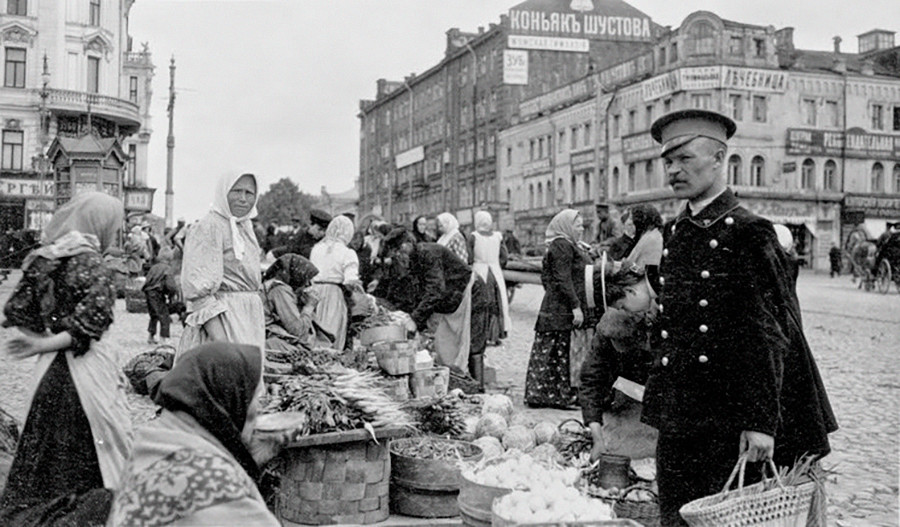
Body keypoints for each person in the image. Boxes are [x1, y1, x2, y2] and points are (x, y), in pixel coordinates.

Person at [646, 109, 837, 525]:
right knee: (675, 517)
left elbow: (768, 334)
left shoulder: (750, 233)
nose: (674, 170)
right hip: (681, 415)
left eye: (685, 158)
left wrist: (760, 422)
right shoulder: (677, 232)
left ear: (719, 159)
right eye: (668, 161)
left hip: (728, 419)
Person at [0, 192, 132, 526]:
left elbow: (15, 310)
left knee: (44, 448)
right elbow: (88, 327)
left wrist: (40, 340)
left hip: (50, 375)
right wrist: (45, 345)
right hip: (86, 372)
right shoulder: (93, 264)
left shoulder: (46, 257)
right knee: (93, 447)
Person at [107, 343, 280, 526]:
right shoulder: (215, 485)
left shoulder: (154, 441)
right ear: (229, 406)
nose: (256, 416)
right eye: (252, 411)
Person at [178, 173, 265, 363]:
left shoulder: (244, 228)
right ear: (223, 191)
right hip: (224, 321)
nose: (243, 198)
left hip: (247, 320)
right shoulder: (210, 227)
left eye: (249, 193)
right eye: (236, 191)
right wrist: (221, 341)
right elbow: (199, 291)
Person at [580, 264, 659, 462]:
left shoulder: (667, 307)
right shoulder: (609, 328)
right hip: (630, 405)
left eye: (623, 306)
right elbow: (592, 379)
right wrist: (597, 436)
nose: (624, 311)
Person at [382, 228, 475, 372]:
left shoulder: (428, 253)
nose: (399, 256)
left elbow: (435, 289)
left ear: (408, 244)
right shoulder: (414, 260)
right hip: (451, 297)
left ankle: (469, 381)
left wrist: (415, 319)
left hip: (468, 291)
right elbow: (420, 291)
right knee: (444, 342)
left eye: (400, 251)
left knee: (463, 342)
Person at [524, 209, 590, 409]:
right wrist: (575, 306)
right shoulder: (562, 246)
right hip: (559, 308)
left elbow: (548, 278)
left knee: (557, 350)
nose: (581, 228)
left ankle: (547, 395)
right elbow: (563, 278)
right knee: (557, 351)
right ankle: (556, 396)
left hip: (556, 305)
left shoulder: (566, 244)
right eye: (578, 225)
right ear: (567, 226)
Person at [308, 215, 360, 351]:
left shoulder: (316, 249)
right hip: (334, 294)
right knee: (332, 332)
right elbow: (350, 281)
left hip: (314, 293)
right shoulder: (347, 252)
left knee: (316, 331)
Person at [262, 254, 323, 354]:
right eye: (306, 279)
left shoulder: (280, 287)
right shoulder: (280, 290)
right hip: (270, 339)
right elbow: (297, 330)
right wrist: (309, 306)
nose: (307, 284)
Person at [468, 211, 510, 344]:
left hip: (479, 270)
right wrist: (497, 265)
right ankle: (496, 334)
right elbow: (504, 256)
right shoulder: (498, 236)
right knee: (497, 302)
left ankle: (482, 333)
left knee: (480, 303)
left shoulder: (473, 236)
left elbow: (469, 257)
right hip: (495, 271)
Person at [143, 247, 179, 344]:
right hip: (158, 293)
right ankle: (164, 337)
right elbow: (170, 285)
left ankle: (151, 335)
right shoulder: (167, 269)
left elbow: (147, 281)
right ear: (170, 258)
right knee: (164, 315)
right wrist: (172, 295)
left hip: (148, 293)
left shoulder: (153, 267)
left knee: (153, 315)